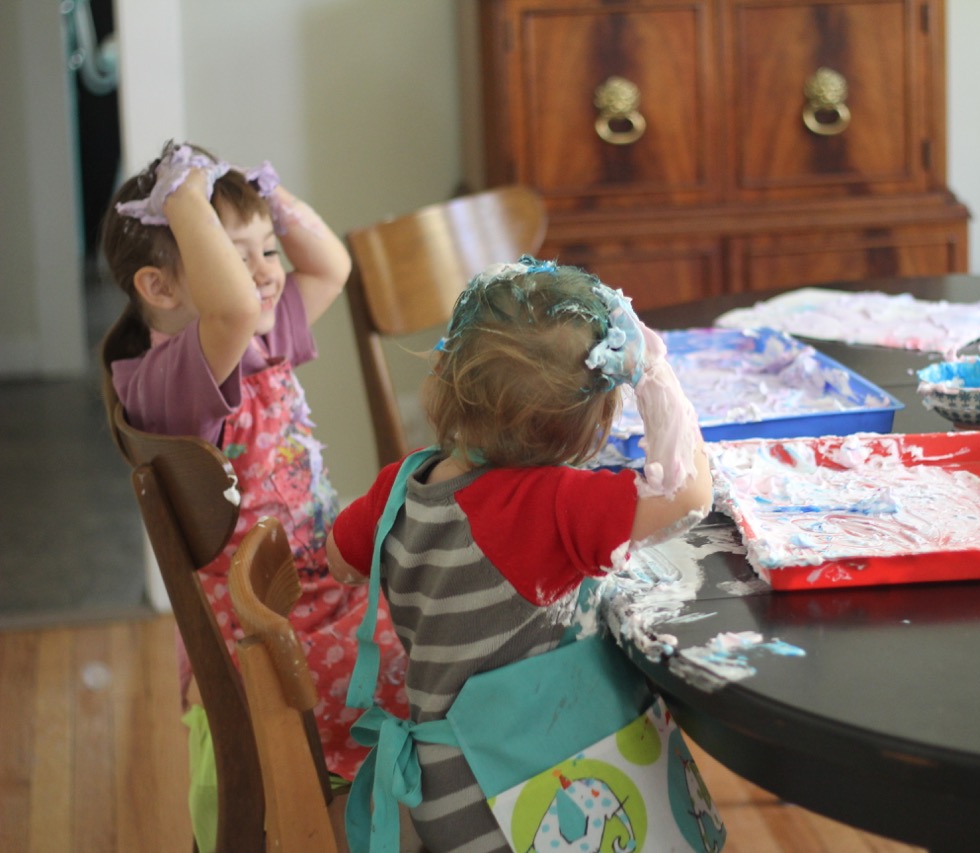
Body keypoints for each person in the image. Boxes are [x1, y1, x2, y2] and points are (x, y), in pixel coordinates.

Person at [326, 257, 714, 852]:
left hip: (437, 789)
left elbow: (340, 560)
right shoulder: (551, 506)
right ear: (596, 424)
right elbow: (689, 495)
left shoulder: (400, 486)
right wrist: (657, 377)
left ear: (443, 374)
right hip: (520, 804)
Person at [98, 142, 410, 811]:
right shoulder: (171, 376)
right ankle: (439, 796)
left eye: (268, 251)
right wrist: (184, 189)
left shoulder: (257, 336)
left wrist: (270, 199)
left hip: (323, 581)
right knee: (435, 639)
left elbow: (332, 265)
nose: (266, 276)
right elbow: (234, 308)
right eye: (238, 257)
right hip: (268, 627)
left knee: (443, 588)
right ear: (159, 288)